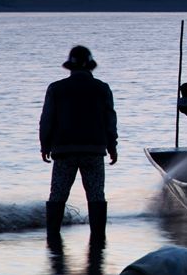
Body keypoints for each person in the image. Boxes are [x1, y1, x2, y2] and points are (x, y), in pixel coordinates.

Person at [39, 45, 118, 242]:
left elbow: (46, 119)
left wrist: (45, 145)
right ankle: (98, 239)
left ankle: (53, 239)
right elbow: (110, 120)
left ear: (70, 67)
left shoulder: (56, 89)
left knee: (57, 195)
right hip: (94, 151)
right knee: (96, 195)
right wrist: (112, 146)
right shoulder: (102, 88)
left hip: (64, 151)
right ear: (90, 66)